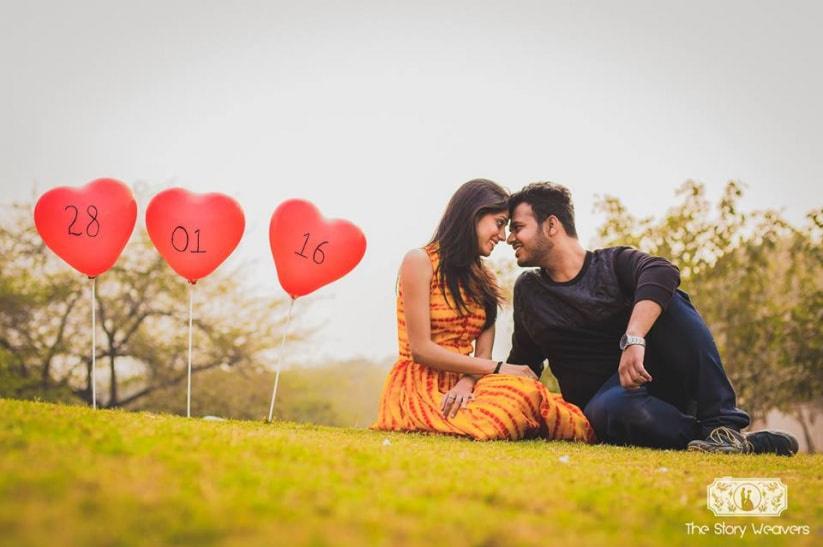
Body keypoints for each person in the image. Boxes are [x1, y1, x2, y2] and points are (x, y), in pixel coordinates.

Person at [504, 182, 798, 456]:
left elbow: (663, 271)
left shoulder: (613, 263)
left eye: (518, 227)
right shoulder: (530, 290)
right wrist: (474, 381)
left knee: (667, 298)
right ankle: (723, 442)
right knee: (612, 407)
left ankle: (722, 424)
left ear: (552, 225)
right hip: (609, 408)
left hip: (658, 382)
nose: (509, 238)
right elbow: (524, 363)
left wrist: (634, 338)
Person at [372, 179, 595, 442]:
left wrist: (467, 382)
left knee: (524, 390)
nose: (502, 237)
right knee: (502, 409)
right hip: (421, 385)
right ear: (474, 215)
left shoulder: (485, 280)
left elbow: (483, 354)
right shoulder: (420, 261)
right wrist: (501, 368)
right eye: (499, 223)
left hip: (469, 382)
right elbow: (421, 350)